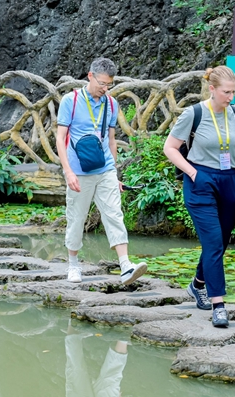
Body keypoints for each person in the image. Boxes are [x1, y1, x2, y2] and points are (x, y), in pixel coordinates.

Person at [164, 66, 235, 328]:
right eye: (226, 92)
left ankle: (197, 284)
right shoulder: (194, 113)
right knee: (212, 241)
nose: (231, 97)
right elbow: (170, 148)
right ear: (212, 89)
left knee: (221, 242)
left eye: (234, 92)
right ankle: (218, 304)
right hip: (201, 180)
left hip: (230, 180)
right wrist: (192, 173)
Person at [56, 57, 147, 285]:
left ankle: (125, 265)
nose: (104, 88)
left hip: (105, 168)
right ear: (90, 76)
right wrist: (67, 171)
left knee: (114, 213)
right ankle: (73, 265)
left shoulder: (111, 103)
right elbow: (60, 138)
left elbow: (112, 140)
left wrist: (114, 173)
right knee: (76, 218)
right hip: (79, 171)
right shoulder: (71, 101)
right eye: (102, 83)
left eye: (109, 84)